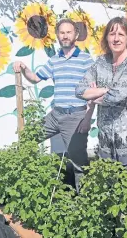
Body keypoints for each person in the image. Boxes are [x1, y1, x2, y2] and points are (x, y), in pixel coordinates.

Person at [13, 19, 95, 192]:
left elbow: (93, 92)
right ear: (57, 35)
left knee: (79, 163)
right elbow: (35, 78)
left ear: (76, 35)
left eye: (69, 32)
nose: (65, 36)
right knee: (28, 138)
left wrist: (88, 118)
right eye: (62, 33)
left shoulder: (86, 60)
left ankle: (86, 202)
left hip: (76, 117)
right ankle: (33, 186)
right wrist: (24, 67)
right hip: (55, 115)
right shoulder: (54, 60)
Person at [75, 17, 127, 170]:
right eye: (112, 34)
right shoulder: (101, 62)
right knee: (108, 189)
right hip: (106, 141)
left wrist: (94, 95)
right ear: (106, 37)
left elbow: (116, 96)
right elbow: (79, 90)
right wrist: (104, 90)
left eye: (121, 34)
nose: (116, 39)